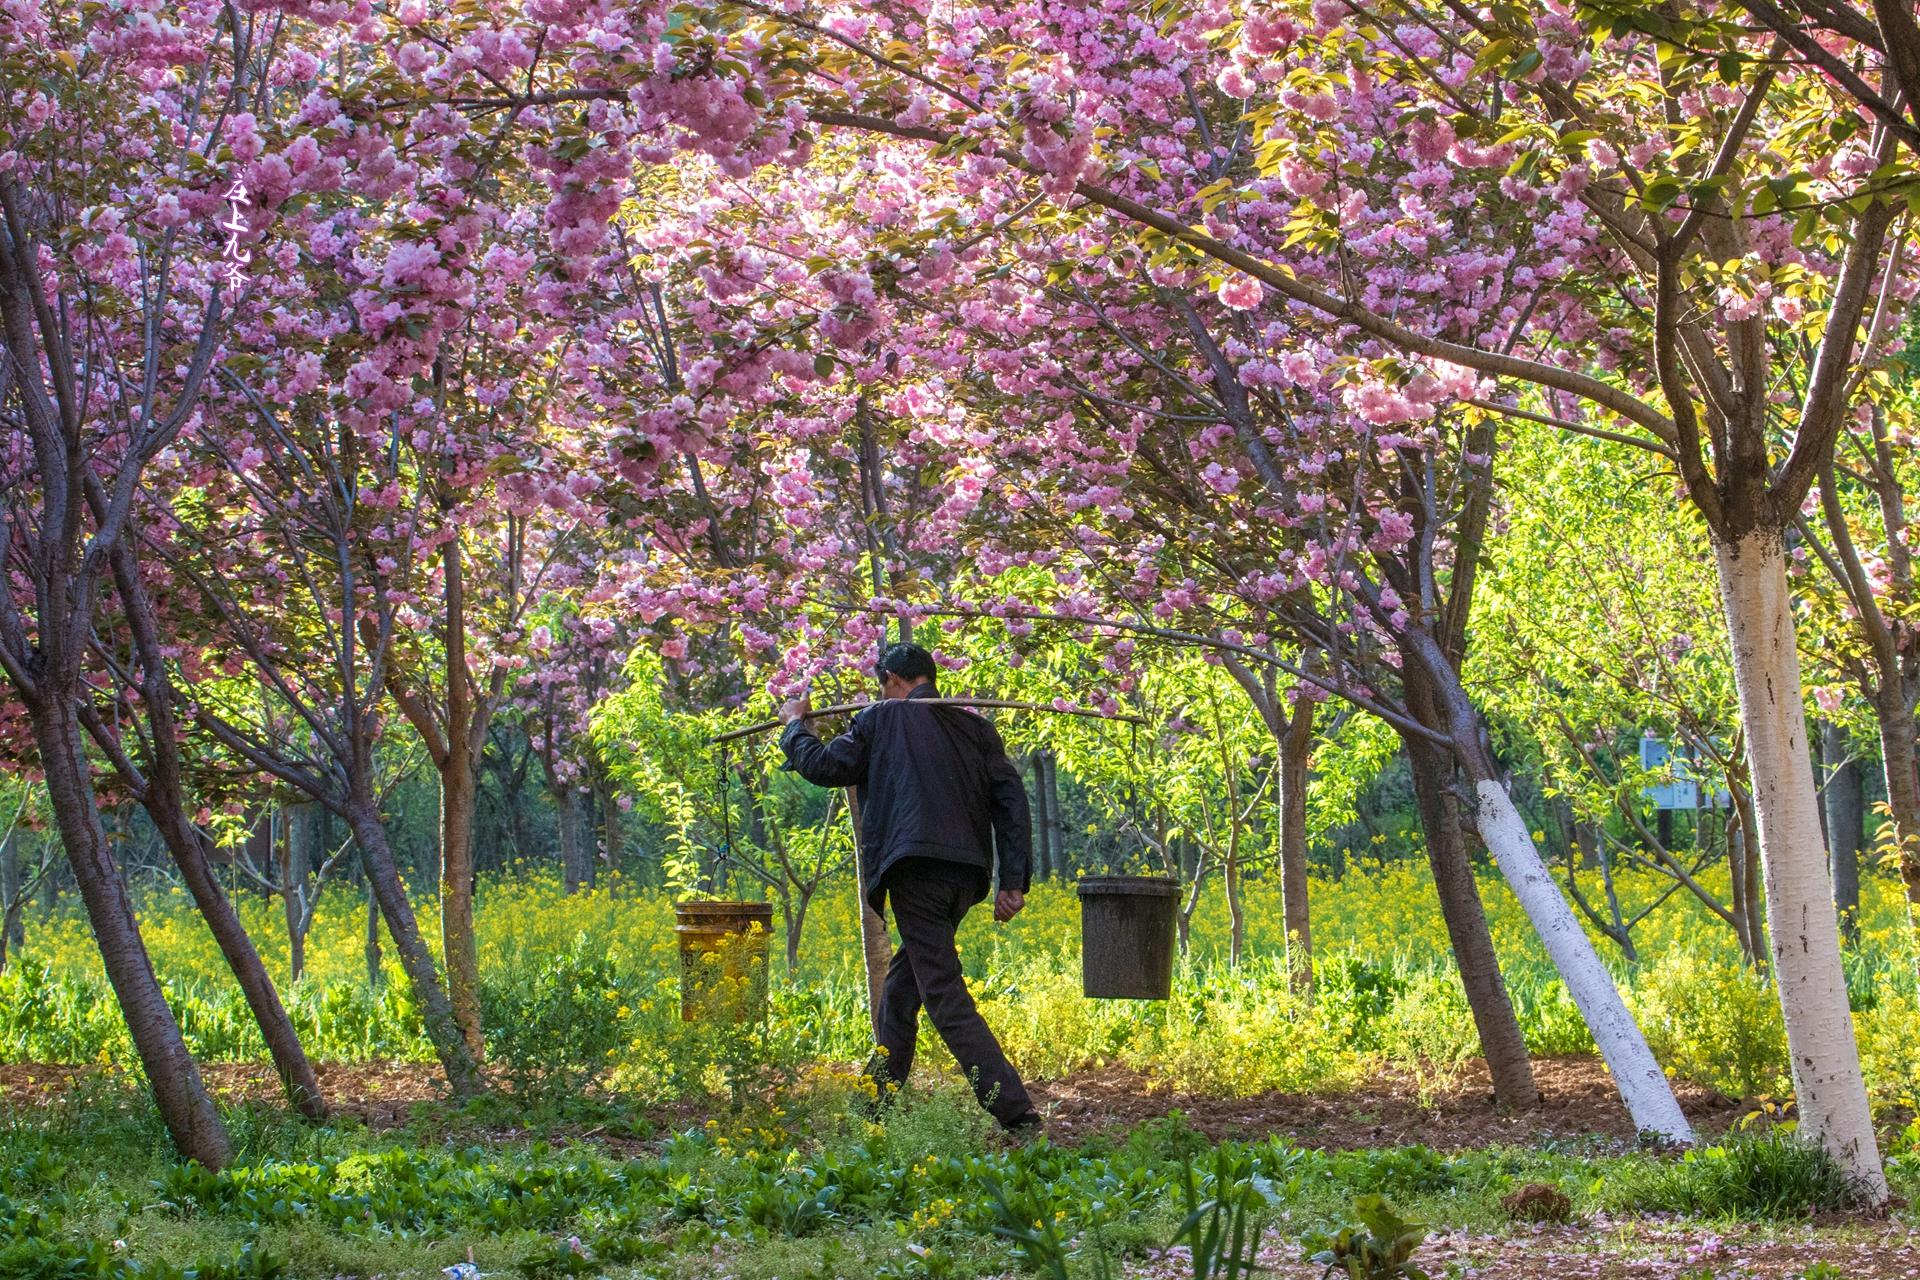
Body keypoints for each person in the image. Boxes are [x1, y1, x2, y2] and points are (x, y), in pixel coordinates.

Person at [777, 642, 1041, 1133]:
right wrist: (1013, 881)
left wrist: (796, 726)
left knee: (941, 989)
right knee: (902, 987)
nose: (881, 692)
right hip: (965, 876)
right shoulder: (977, 729)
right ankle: (874, 1103)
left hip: (916, 869)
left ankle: (1016, 1111)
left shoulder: (882, 717)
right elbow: (1012, 803)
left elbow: (828, 768)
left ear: (894, 679)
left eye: (882, 684)